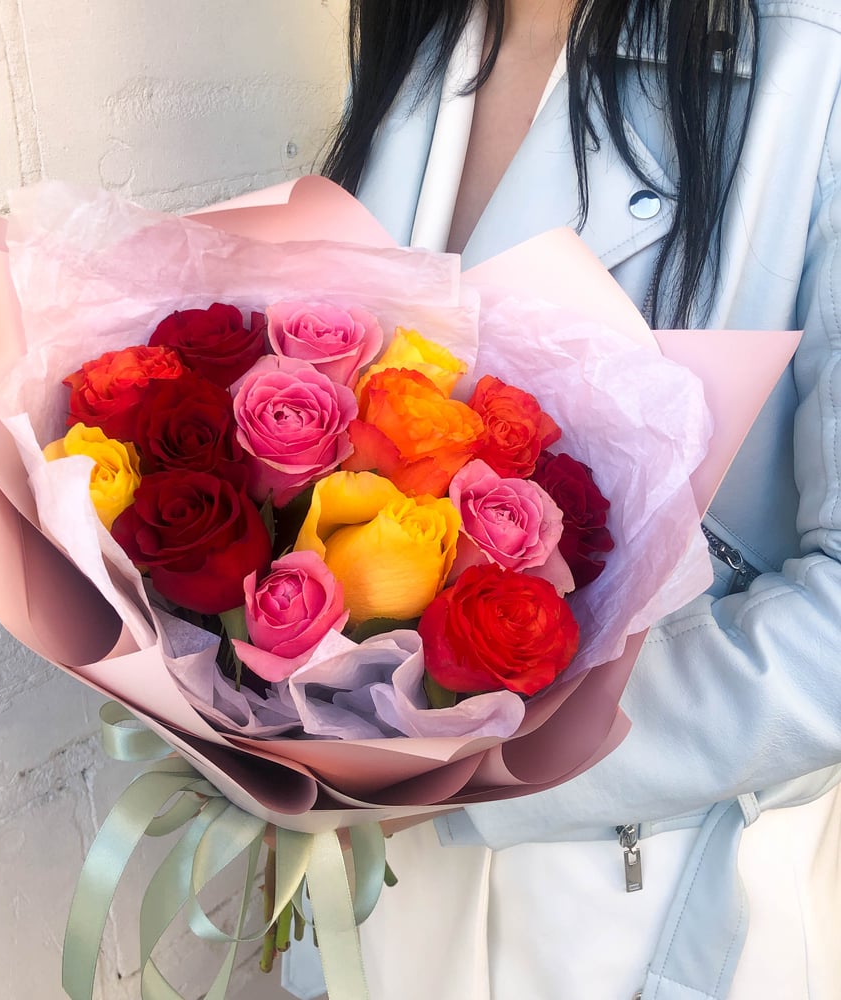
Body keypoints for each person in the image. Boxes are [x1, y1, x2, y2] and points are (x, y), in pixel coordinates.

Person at [309, 1, 841, 997]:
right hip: (388, 919)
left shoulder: (817, 70)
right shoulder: (421, 54)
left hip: (642, 917)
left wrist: (464, 762)